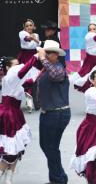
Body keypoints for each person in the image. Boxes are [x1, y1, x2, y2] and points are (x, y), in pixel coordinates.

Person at [36, 40, 70, 184]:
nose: (43, 55)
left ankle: (58, 179)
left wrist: (43, 58)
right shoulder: (46, 68)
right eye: (45, 52)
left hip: (56, 114)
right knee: (47, 146)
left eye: (47, 53)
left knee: (50, 147)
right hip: (48, 113)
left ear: (55, 55)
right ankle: (58, 177)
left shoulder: (58, 67)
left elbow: (56, 75)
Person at [0, 56, 36, 184]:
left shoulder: (17, 80)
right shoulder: (9, 78)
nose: (19, 66)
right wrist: (37, 56)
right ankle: (2, 173)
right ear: (8, 68)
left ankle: (9, 177)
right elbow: (24, 70)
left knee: (17, 147)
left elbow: (29, 79)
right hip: (8, 114)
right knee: (9, 149)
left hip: (16, 114)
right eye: (15, 65)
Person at [70, 23, 96, 93]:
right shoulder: (89, 36)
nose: (92, 30)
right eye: (90, 29)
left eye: (94, 29)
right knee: (87, 77)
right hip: (90, 62)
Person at [18, 19, 42, 113]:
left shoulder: (36, 35)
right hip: (24, 58)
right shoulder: (22, 33)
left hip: (34, 58)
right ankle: (28, 102)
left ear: (33, 26)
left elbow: (38, 45)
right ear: (24, 27)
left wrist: (36, 39)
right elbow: (27, 39)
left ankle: (36, 102)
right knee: (25, 80)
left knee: (34, 80)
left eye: (30, 25)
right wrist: (33, 38)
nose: (29, 27)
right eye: (27, 26)